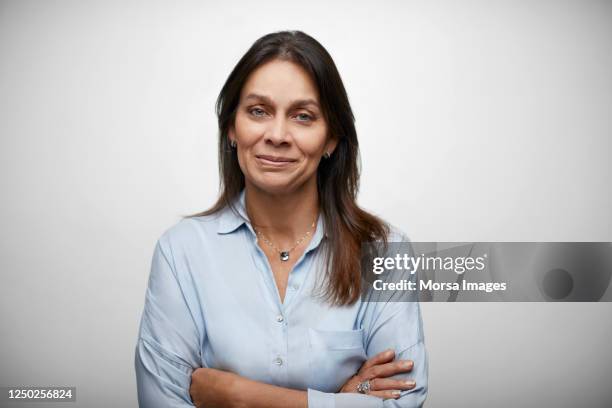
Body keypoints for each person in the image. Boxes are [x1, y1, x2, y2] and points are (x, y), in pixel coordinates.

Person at [135, 30, 428, 408]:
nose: (277, 134)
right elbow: (162, 401)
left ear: (331, 139)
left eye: (303, 117)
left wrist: (240, 396)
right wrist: (341, 399)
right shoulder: (181, 251)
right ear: (231, 127)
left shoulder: (385, 250)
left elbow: (402, 402)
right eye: (258, 111)